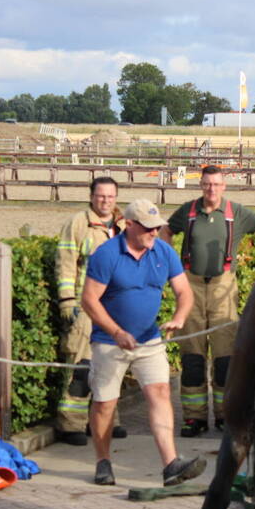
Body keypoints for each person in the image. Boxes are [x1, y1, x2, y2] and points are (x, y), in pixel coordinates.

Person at [159, 165, 255, 437]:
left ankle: (224, 415)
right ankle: (194, 419)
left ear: (224, 186)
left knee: (224, 360)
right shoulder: (188, 211)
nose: (211, 189)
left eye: (216, 184)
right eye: (207, 184)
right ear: (201, 186)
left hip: (223, 288)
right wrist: (168, 261)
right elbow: (166, 231)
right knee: (192, 359)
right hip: (190, 286)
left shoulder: (236, 213)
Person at [82, 198, 204, 487]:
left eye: (157, 227)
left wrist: (179, 316)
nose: (154, 232)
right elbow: (89, 300)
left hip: (150, 339)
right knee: (104, 405)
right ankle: (103, 461)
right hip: (110, 342)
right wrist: (115, 332)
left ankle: (171, 465)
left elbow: (185, 293)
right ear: (130, 225)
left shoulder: (163, 251)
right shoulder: (107, 254)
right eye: (148, 228)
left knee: (161, 393)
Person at [55, 176, 127, 446]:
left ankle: (108, 420)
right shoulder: (78, 224)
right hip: (87, 305)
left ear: (116, 198)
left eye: (110, 196)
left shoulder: (123, 225)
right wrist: (67, 300)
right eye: (100, 196)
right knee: (82, 365)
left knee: (112, 365)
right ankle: (70, 423)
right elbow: (65, 263)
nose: (105, 200)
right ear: (91, 196)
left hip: (115, 306)